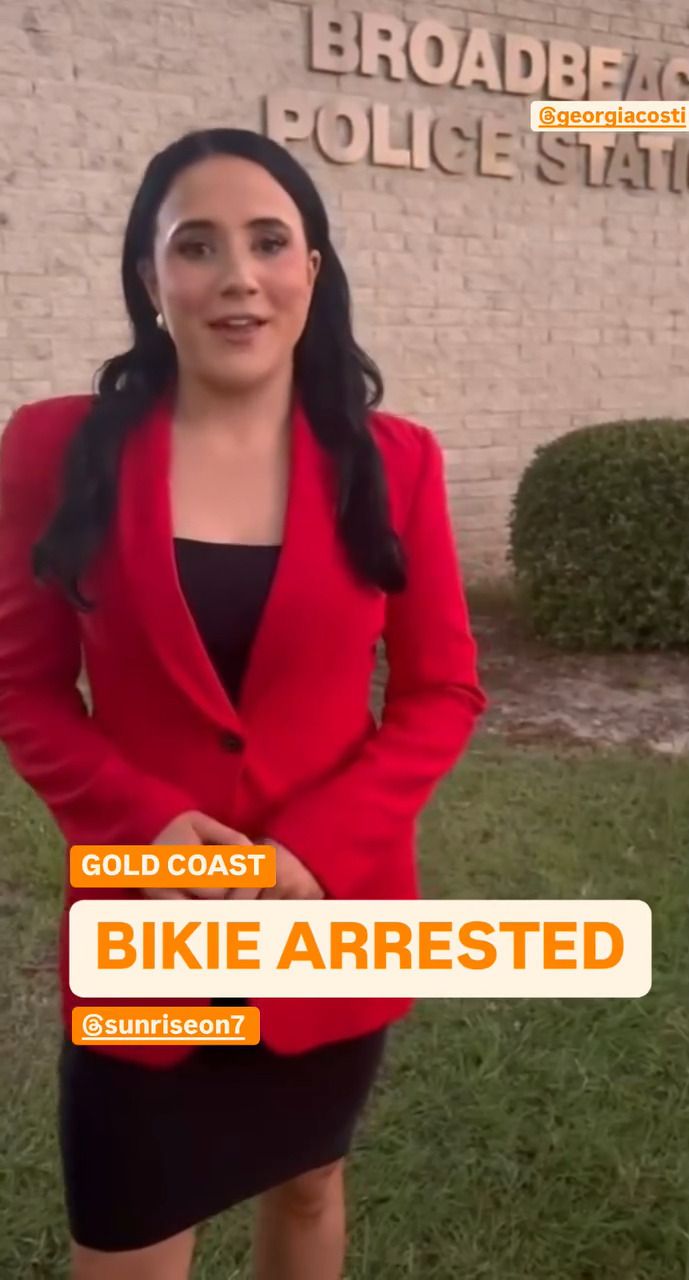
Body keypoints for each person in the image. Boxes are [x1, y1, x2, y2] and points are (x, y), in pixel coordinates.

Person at [0, 127, 487, 1280]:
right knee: (129, 1231)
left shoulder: (396, 460)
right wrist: (145, 824)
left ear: (311, 269)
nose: (238, 276)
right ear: (148, 274)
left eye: (269, 242)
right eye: (197, 245)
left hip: (331, 912)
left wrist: (314, 847)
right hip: (148, 918)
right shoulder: (53, 447)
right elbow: (22, 684)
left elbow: (442, 688)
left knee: (309, 1182)